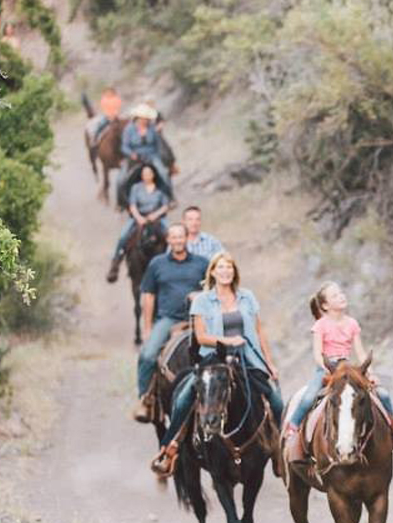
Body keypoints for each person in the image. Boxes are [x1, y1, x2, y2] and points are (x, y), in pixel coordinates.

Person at [153, 252, 284, 471]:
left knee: (275, 399)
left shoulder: (247, 297)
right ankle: (168, 447)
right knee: (184, 397)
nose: (226, 272)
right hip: (215, 358)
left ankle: (281, 450)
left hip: (247, 355)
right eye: (221, 268)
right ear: (212, 272)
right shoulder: (202, 301)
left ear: (235, 272)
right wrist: (226, 340)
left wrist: (269, 362)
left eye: (229, 268)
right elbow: (201, 336)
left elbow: (259, 331)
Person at [281, 282, 393, 458]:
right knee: (309, 397)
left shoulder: (352, 323)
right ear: (325, 305)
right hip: (327, 369)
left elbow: (360, 352)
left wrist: (370, 373)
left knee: (382, 394)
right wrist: (328, 369)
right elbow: (317, 354)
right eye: (335, 296)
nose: (341, 297)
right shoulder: (321, 325)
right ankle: (293, 430)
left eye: (341, 293)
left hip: (348, 368)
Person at [133, 223, 208, 422]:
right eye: (173, 237)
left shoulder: (202, 263)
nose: (177, 241)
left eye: (180, 237)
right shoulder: (157, 264)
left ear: (187, 238)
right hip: (168, 318)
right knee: (148, 355)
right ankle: (145, 400)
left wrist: (199, 296)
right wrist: (147, 327)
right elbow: (148, 296)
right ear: (168, 240)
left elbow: (212, 292)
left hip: (196, 319)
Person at [106, 165, 170, 283]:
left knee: (171, 235)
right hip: (138, 217)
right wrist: (139, 218)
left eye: (149, 173)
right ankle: (115, 264)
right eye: (144, 173)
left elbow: (165, 206)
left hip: (157, 217)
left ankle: (174, 262)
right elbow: (132, 205)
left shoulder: (160, 189)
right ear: (141, 175)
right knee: (123, 236)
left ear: (153, 174)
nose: (146, 176)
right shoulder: (136, 188)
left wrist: (154, 215)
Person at [121, 103, 173, 200]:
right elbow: (124, 146)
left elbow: (157, 143)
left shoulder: (152, 128)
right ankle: (121, 202)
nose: (146, 120)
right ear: (138, 118)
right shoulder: (129, 129)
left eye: (147, 118)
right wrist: (131, 153)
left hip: (151, 155)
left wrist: (158, 155)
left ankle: (170, 197)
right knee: (121, 179)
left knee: (163, 173)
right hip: (135, 156)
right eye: (144, 118)